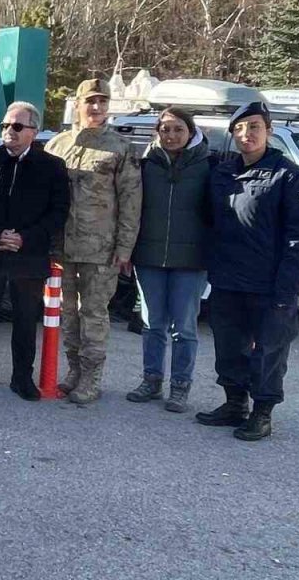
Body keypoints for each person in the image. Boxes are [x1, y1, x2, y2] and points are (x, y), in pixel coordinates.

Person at [196, 102, 299, 441]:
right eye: (240, 128)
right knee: (229, 347)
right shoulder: (222, 173)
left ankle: (262, 412)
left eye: (255, 126)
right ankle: (235, 404)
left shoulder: (290, 176)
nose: (247, 134)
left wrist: (289, 288)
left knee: (269, 351)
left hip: (270, 283)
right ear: (233, 134)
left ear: (269, 131)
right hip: (227, 279)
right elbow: (210, 220)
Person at [0, 102, 70, 398]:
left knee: (25, 320)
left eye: (17, 126)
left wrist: (25, 238)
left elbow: (58, 212)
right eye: (5, 125)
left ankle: (22, 378)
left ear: (34, 131)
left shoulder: (52, 167)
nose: (9, 130)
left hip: (29, 255)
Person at [45, 79, 142, 404]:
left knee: (94, 314)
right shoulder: (57, 145)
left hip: (101, 249)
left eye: (102, 101)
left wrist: (125, 248)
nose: (96, 107)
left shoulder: (120, 148)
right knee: (68, 313)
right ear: (78, 104)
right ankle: (74, 370)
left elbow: (131, 201)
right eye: (90, 101)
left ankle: (91, 377)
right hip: (62, 246)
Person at [125, 108, 212, 413]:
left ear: (191, 132)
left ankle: (180, 385)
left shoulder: (209, 165)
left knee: (184, 328)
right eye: (165, 130)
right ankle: (151, 380)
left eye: (178, 129)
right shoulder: (146, 164)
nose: (171, 135)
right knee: (152, 324)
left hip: (190, 260)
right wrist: (128, 251)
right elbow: (132, 210)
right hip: (149, 257)